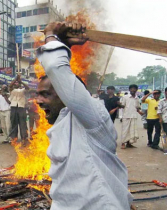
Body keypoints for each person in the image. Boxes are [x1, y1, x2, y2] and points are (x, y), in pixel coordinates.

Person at [35, 21, 132, 210]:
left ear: (66, 95)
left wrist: (51, 34)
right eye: (37, 94)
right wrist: (65, 44)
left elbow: (56, 67)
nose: (38, 101)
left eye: (45, 94)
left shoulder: (92, 117)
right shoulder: (66, 121)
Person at [119, 84, 143, 149]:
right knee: (125, 131)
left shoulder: (137, 98)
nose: (133, 90)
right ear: (129, 90)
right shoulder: (125, 97)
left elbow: (137, 107)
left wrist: (140, 112)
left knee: (132, 131)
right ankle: (123, 143)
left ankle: (129, 143)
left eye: (134, 89)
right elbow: (122, 106)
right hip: (126, 116)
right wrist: (119, 105)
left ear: (136, 90)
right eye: (132, 89)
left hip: (134, 116)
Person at [9, 75, 30, 143]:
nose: (16, 83)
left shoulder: (22, 90)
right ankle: (14, 138)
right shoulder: (12, 90)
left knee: (22, 123)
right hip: (13, 107)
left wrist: (22, 82)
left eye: (17, 83)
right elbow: (10, 85)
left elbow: (28, 88)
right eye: (15, 83)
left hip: (21, 107)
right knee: (13, 123)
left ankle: (24, 138)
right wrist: (15, 79)